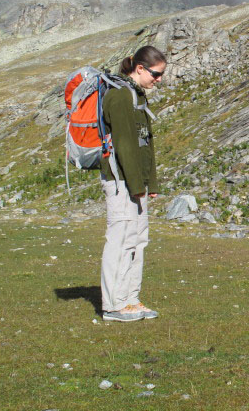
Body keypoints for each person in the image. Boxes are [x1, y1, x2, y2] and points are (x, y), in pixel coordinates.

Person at [100, 45, 166, 322]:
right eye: (155, 73)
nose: (158, 79)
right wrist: (136, 185)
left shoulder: (136, 96)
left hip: (136, 182)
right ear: (140, 68)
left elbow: (143, 144)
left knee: (138, 240)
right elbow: (125, 145)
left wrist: (149, 184)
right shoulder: (119, 97)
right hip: (121, 181)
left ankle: (130, 299)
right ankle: (114, 305)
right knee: (121, 240)